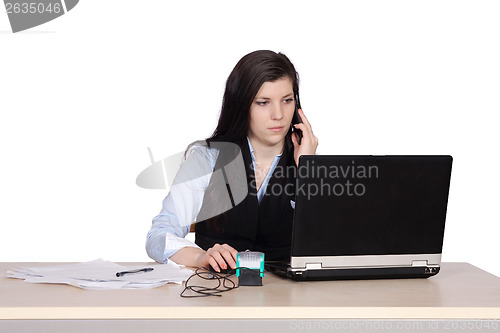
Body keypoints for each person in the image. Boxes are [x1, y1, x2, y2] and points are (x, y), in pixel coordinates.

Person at [146, 50, 318, 272]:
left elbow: (329, 244)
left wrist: (308, 169)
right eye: (263, 102)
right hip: (216, 293)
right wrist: (200, 257)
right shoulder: (207, 158)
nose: (279, 115)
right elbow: (159, 235)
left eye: (287, 100)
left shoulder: (306, 158)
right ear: (241, 105)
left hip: (289, 298)